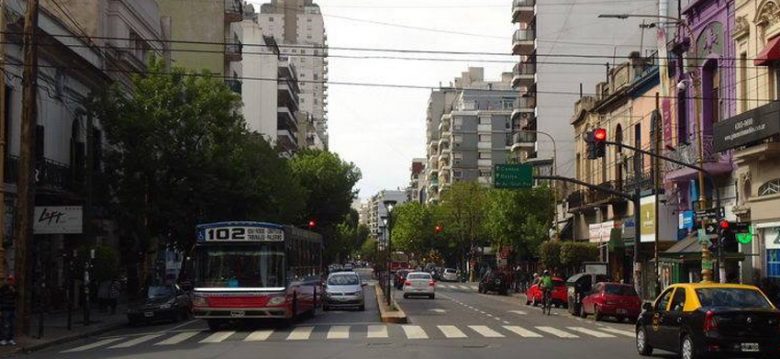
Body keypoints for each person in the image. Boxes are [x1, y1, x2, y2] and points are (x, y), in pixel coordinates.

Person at [0, 275, 17, 346]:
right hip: (6, 308)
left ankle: (10, 339)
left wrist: (14, 291)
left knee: (12, 324)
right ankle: (4, 339)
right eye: (9, 280)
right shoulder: (3, 288)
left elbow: (18, 296)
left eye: (12, 280)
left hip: (12, 308)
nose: (10, 282)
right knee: (5, 324)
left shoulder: (14, 288)